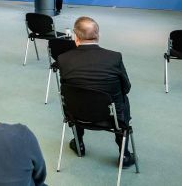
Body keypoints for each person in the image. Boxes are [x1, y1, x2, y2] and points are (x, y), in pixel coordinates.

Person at [57, 16, 135, 168]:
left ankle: (79, 143)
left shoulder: (63, 59)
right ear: (98, 35)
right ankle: (124, 155)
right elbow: (127, 88)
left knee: (76, 95)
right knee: (122, 100)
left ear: (75, 36)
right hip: (112, 117)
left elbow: (64, 88)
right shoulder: (114, 57)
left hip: (76, 114)